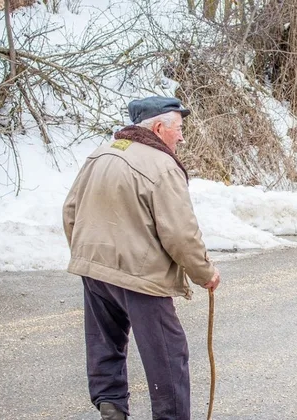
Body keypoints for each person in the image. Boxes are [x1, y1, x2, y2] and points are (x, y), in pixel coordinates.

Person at [63, 96, 220, 420]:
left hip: (95, 270)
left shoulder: (101, 154)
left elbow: (70, 212)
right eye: (178, 128)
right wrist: (204, 273)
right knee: (167, 353)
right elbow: (180, 234)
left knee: (105, 343)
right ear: (159, 127)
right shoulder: (162, 166)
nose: (181, 136)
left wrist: (89, 255)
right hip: (141, 276)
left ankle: (111, 406)